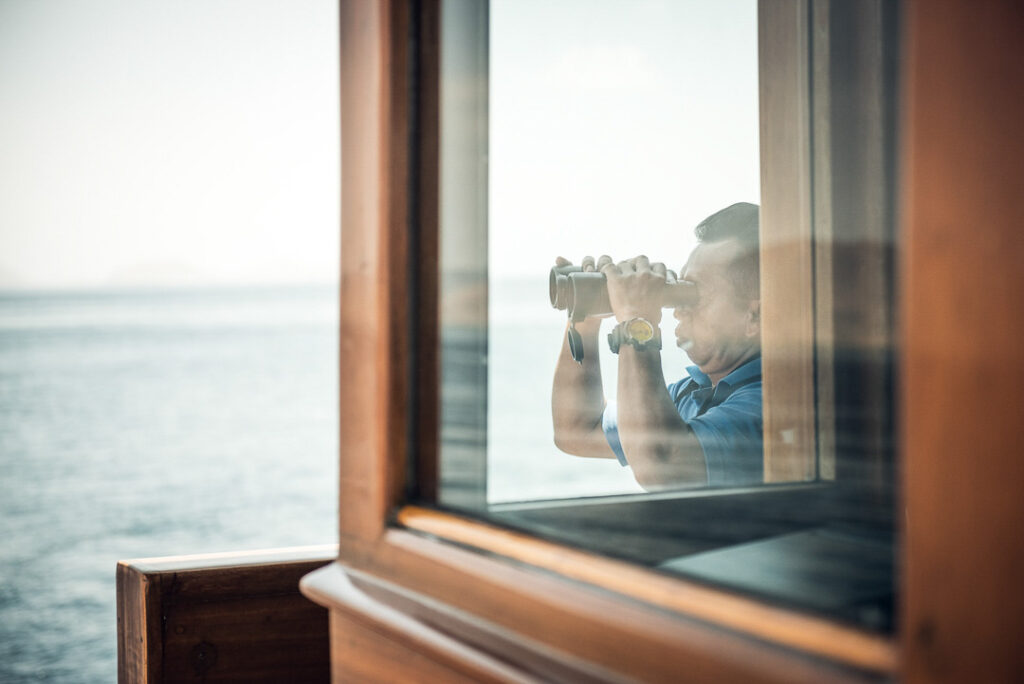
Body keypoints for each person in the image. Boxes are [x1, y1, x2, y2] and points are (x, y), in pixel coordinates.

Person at [551, 202, 762, 491]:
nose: (677, 309)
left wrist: (637, 322)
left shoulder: (767, 405)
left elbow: (662, 466)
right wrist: (586, 320)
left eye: (693, 293)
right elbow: (577, 430)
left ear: (754, 316)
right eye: (678, 288)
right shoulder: (691, 394)